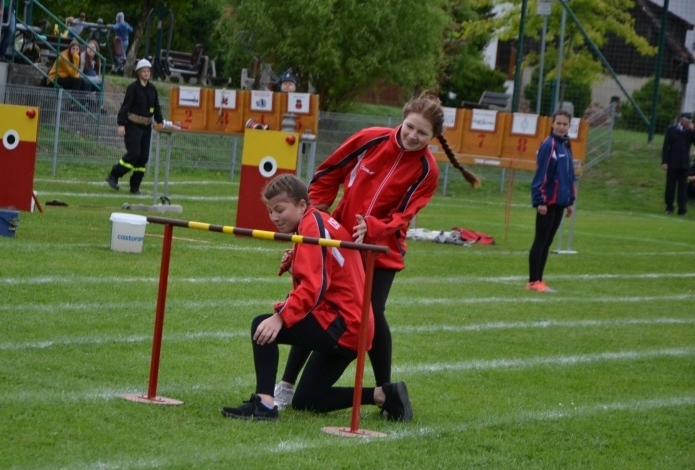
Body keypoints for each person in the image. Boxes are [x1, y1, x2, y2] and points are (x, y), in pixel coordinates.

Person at [273, 91, 481, 410]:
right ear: (403, 118)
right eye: (410, 126)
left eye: (422, 133)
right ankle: (286, 385)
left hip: (382, 250)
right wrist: (317, 217)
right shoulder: (369, 139)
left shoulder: (428, 170)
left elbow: (404, 216)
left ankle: (386, 390)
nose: (413, 136)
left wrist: (373, 227)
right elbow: (329, 174)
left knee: (371, 313)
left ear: (433, 137)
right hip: (340, 241)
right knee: (315, 301)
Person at [220, 174, 413, 422]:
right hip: (353, 324)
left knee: (262, 325)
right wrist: (295, 261)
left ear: (302, 205)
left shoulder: (313, 226)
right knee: (307, 401)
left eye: (279, 209)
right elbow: (329, 268)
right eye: (270, 211)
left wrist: (280, 317)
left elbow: (316, 286)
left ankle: (264, 405)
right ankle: (385, 395)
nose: (274, 218)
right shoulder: (317, 221)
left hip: (344, 323)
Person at [526, 109, 576, 293]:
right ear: (552, 124)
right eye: (559, 123)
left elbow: (569, 176)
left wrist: (570, 200)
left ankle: (539, 279)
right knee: (540, 241)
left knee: (547, 242)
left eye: (565, 124)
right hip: (548, 202)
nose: (561, 127)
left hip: (560, 202)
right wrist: (540, 201)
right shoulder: (549, 145)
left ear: (569, 126)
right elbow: (542, 175)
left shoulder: (566, 145)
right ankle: (533, 281)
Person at [105, 58, 163, 195]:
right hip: (133, 126)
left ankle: (135, 186)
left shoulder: (152, 89)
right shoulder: (133, 88)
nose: (147, 73)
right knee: (134, 154)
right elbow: (125, 106)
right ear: (138, 73)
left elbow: (157, 107)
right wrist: (121, 124)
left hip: (146, 127)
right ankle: (114, 175)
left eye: (148, 71)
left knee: (143, 157)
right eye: (144, 71)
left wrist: (160, 121)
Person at [661, 112, 695, 216]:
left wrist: (693, 131)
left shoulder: (689, 132)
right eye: (687, 120)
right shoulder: (671, 130)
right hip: (673, 163)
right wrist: (664, 161)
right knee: (670, 186)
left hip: (684, 164)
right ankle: (669, 207)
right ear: (681, 120)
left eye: (690, 121)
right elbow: (666, 146)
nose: (688, 123)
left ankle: (682, 209)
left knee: (683, 188)